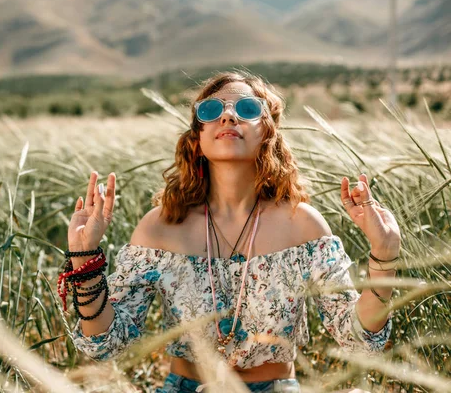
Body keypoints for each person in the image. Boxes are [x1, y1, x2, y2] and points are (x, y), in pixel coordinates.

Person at [60, 71, 400, 393]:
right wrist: (84, 256)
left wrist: (383, 257)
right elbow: (107, 343)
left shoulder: (303, 225)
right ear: (197, 139)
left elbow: (358, 338)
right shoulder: (160, 227)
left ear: (267, 131)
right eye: (211, 110)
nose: (228, 117)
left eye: (246, 108)